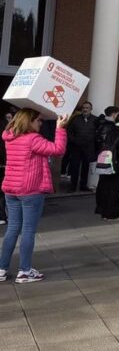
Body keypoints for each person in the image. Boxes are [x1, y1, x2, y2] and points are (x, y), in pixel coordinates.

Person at [0, 110, 68, 284]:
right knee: (28, 231)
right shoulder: (33, 139)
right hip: (31, 190)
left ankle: (2, 268)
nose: (41, 123)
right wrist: (60, 128)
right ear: (28, 121)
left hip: (11, 189)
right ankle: (25, 271)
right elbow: (58, 149)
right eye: (38, 120)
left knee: (12, 229)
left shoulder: (10, 137)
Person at [95, 113, 119, 220]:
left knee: (104, 186)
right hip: (118, 165)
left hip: (106, 162)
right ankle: (111, 214)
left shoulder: (110, 130)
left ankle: (101, 209)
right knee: (113, 188)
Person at [66, 101, 97, 192]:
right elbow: (69, 132)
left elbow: (98, 133)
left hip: (89, 148)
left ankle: (83, 186)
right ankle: (73, 186)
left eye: (87, 108)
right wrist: (74, 140)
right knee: (75, 167)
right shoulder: (75, 119)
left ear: (91, 109)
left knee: (85, 168)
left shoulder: (95, 119)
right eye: (84, 108)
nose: (85, 109)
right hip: (76, 147)